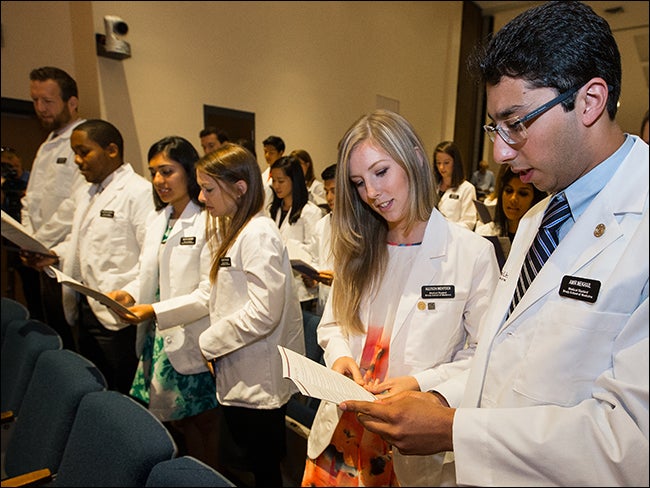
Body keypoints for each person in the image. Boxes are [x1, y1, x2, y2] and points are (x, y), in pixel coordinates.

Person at [340, 2, 649, 486]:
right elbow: (500, 362)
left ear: (589, 101)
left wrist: (453, 429)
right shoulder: (537, 221)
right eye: (494, 128)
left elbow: (632, 442)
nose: (501, 152)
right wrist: (440, 400)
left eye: (517, 123)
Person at [302, 109, 499, 487]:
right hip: (342, 432)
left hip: (410, 443)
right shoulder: (358, 246)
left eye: (381, 172)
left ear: (413, 158)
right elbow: (334, 323)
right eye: (359, 182)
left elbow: (483, 356)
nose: (371, 193)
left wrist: (421, 384)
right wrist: (340, 355)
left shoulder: (471, 254)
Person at [106, 136, 219, 469]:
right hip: (156, 338)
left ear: (190, 171)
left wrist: (153, 310)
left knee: (202, 423)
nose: (159, 181)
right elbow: (147, 274)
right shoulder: (160, 219)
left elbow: (207, 293)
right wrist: (128, 293)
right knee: (173, 425)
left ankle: (206, 478)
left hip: (193, 337)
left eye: (167, 171)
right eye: (154, 172)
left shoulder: (208, 220)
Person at [195, 142, 304, 487]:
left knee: (265, 471)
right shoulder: (238, 229)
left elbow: (263, 312)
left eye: (208, 189)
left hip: (258, 377)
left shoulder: (257, 234)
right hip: (243, 367)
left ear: (240, 188)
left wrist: (209, 342)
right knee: (256, 467)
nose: (201, 197)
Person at [25, 119, 154, 394]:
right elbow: (79, 239)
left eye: (84, 152)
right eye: (75, 153)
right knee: (93, 386)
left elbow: (150, 255)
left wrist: (129, 293)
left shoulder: (139, 192)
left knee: (118, 390)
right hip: (84, 304)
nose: (78, 161)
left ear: (111, 150)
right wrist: (53, 254)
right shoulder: (87, 192)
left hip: (117, 310)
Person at [21, 66, 88, 350]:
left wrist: (40, 243)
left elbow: (75, 203)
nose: (40, 108)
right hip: (38, 255)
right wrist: (23, 236)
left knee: (67, 338)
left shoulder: (83, 142)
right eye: (35, 100)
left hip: (62, 257)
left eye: (48, 101)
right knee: (46, 332)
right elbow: (31, 198)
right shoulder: (46, 145)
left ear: (71, 103)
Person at [268, 154, 323, 312]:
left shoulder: (310, 212)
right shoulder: (273, 210)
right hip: (276, 285)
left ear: (294, 180)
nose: (276, 186)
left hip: (300, 289)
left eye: (281, 181)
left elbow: (314, 251)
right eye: (274, 181)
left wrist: (290, 247)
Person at [1, 146, 44, 320]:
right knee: (26, 285)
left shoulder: (32, 182)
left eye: (11, 166)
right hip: (12, 241)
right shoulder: (4, 185)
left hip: (35, 241)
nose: (9, 171)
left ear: (19, 164)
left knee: (36, 287)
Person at [475, 163, 547, 242]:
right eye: (509, 191)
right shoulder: (485, 233)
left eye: (522, 193)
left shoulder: (541, 240)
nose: (513, 199)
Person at [433, 140, 478, 230]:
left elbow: (468, 223)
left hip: (454, 239)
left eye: (446, 163)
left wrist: (446, 226)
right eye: (438, 163)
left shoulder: (467, 189)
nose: (441, 167)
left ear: (455, 163)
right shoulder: (433, 187)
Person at [261, 135, 285, 213]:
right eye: (265, 152)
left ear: (281, 153)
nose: (267, 155)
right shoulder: (263, 175)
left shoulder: (286, 173)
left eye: (271, 153)